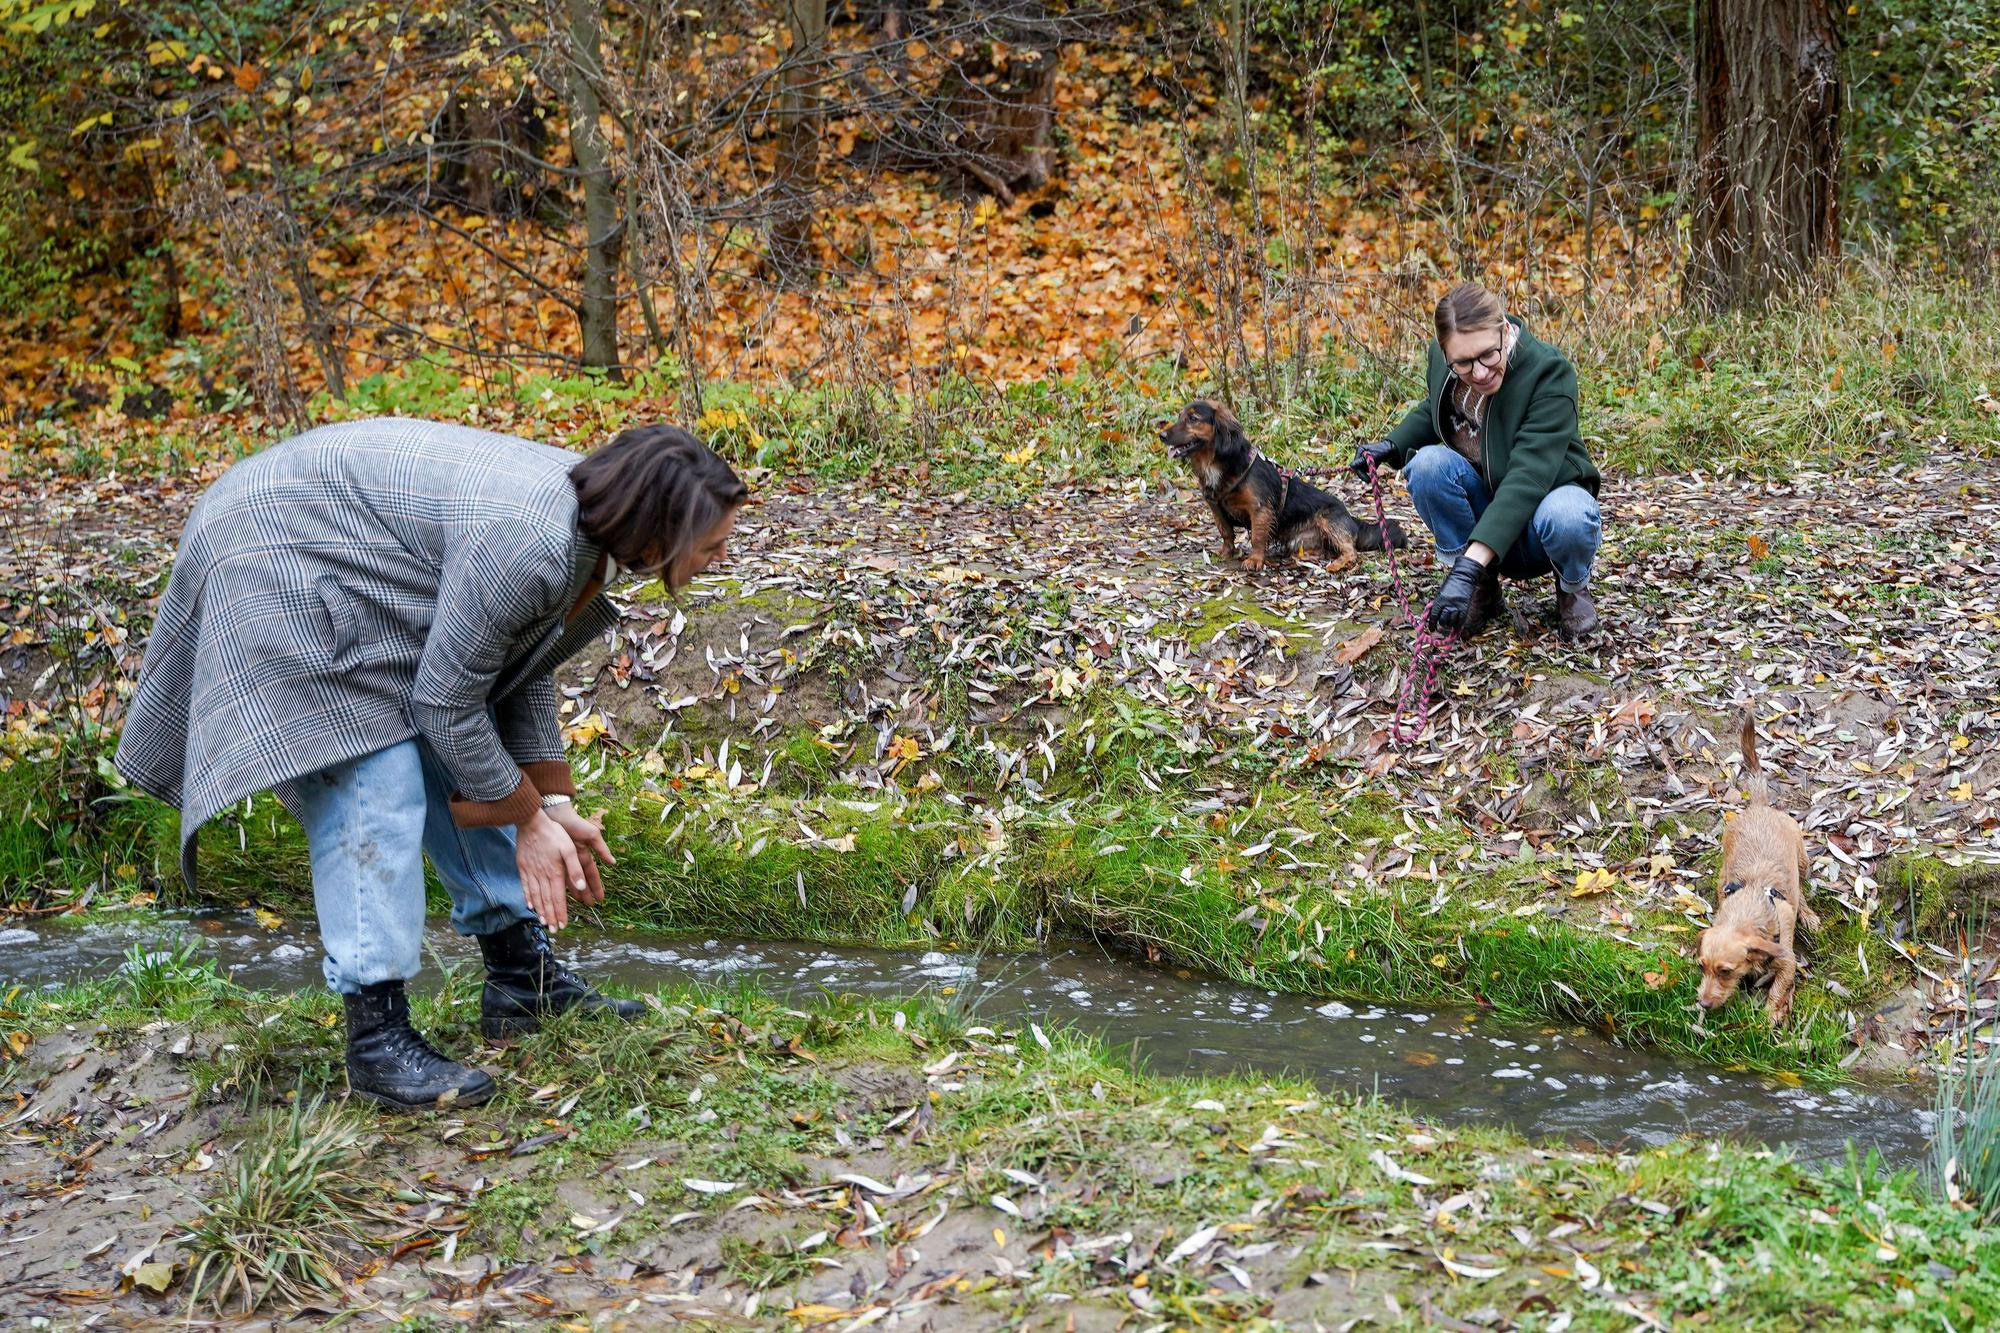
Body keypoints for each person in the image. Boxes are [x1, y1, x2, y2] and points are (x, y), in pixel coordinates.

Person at [116, 419, 746, 1111]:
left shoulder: (588, 523)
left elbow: (512, 665)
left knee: (461, 745)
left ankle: (519, 979)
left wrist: (553, 805)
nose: (723, 554)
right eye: (712, 543)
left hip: (341, 552)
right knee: (375, 774)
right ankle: (375, 1037)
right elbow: (445, 702)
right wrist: (528, 818)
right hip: (274, 553)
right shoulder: (530, 541)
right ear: (658, 531)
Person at [1352, 283, 1602, 640]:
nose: (1480, 372)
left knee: (1569, 513)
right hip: (1484, 501)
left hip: (1540, 515)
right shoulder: (1445, 361)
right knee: (1426, 465)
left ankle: (1572, 587)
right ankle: (1479, 590)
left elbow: (1527, 478)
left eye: (1488, 355)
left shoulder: (1549, 373)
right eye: (1464, 363)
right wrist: (1392, 446)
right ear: (1445, 352)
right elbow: (1438, 411)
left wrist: (1468, 564)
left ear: (1504, 331)